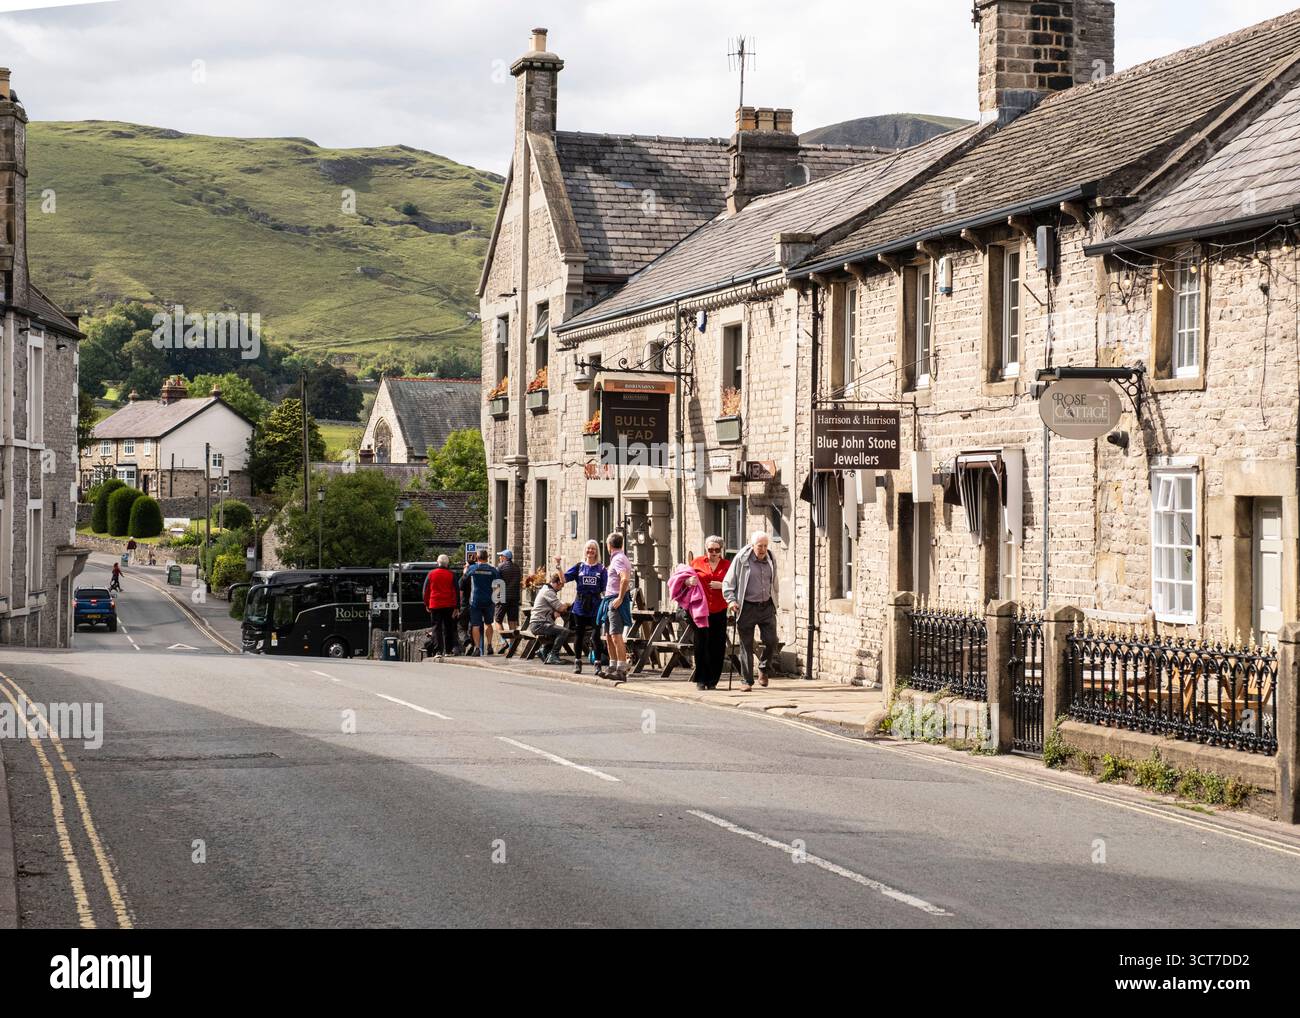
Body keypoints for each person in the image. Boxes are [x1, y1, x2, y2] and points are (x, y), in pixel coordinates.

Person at [722, 531, 781, 691]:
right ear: (752, 545)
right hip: (746, 607)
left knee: (772, 641)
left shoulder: (771, 558)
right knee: (746, 645)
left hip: (767, 606)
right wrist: (731, 600)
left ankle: (763, 668)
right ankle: (746, 681)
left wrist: (775, 600)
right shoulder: (742, 559)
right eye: (759, 546)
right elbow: (728, 582)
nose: (762, 549)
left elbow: (774, 581)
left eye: (765, 546)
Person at [558, 542, 607, 675]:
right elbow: (563, 580)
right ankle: (578, 662)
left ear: (596, 552)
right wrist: (558, 566)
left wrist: (606, 606)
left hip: (595, 605)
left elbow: (605, 590)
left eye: (593, 549)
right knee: (579, 635)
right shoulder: (579, 567)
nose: (590, 551)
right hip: (580, 605)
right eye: (588, 549)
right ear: (585, 551)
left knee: (596, 636)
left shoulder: (601, 569)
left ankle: (597, 664)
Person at [690, 536, 730, 690]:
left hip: (720, 609)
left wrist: (723, 585)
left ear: (721, 550)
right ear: (706, 549)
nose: (713, 553)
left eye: (716, 550)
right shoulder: (697, 562)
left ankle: (713, 679)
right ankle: (701, 679)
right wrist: (689, 582)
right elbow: (683, 579)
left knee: (717, 644)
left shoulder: (727, 565)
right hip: (700, 610)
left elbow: (735, 584)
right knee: (701, 643)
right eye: (710, 550)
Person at [597, 531, 633, 679]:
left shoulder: (618, 559)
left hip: (614, 599)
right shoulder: (618, 558)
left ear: (608, 545)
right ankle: (612, 666)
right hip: (609, 599)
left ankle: (621, 670)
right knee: (608, 635)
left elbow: (625, 579)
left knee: (616, 635)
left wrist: (619, 598)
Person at [462, 549, 501, 656]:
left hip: (476, 601)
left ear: (477, 558)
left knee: (475, 625)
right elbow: (499, 585)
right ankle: (489, 645)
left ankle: (478, 648)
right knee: (489, 623)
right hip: (489, 600)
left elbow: (464, 579)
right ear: (487, 558)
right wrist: (497, 600)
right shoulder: (493, 570)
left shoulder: (473, 568)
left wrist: (465, 570)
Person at [421, 554, 458, 661]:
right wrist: (457, 606)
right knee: (448, 627)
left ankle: (438, 651)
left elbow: (425, 591)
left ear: (438, 562)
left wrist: (427, 604)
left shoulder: (431, 574)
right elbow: (456, 591)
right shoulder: (452, 574)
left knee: (436, 628)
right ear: (447, 563)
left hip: (435, 604)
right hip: (449, 604)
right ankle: (448, 651)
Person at [529, 572, 570, 664]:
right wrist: (567, 605)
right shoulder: (548, 591)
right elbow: (561, 608)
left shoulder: (546, 589)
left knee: (556, 630)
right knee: (564, 631)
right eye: (561, 585)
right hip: (539, 624)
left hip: (539, 623)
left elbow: (556, 608)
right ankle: (553, 655)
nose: (561, 588)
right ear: (558, 582)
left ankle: (543, 650)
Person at [495, 550, 522, 647]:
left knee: (498, 620)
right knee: (512, 621)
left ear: (505, 557)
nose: (500, 558)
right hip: (514, 598)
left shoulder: (500, 567)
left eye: (501, 556)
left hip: (502, 598)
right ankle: (512, 646)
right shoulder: (517, 568)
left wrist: (495, 598)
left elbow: (496, 583)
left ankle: (503, 641)